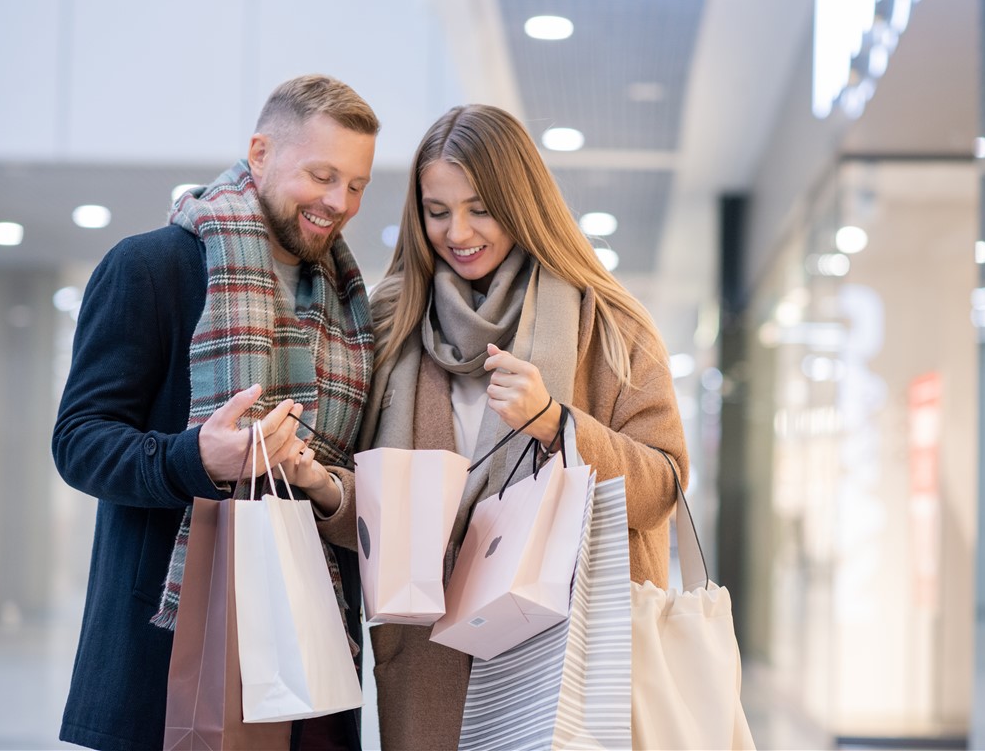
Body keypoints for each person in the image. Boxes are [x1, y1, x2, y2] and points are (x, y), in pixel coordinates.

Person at [297, 103, 689, 749]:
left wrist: (557, 423)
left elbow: (662, 488)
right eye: (437, 209)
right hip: (431, 664)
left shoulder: (612, 326)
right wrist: (328, 489)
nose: (458, 232)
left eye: (481, 207)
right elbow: (379, 510)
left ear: (522, 201)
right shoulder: (391, 322)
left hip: (567, 662)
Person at [51, 74, 380, 751]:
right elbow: (79, 441)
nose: (338, 202)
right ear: (260, 153)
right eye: (321, 175)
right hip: (169, 651)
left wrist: (322, 484)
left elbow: (355, 472)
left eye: (356, 185)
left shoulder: (354, 312)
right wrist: (197, 457)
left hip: (311, 650)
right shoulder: (151, 268)